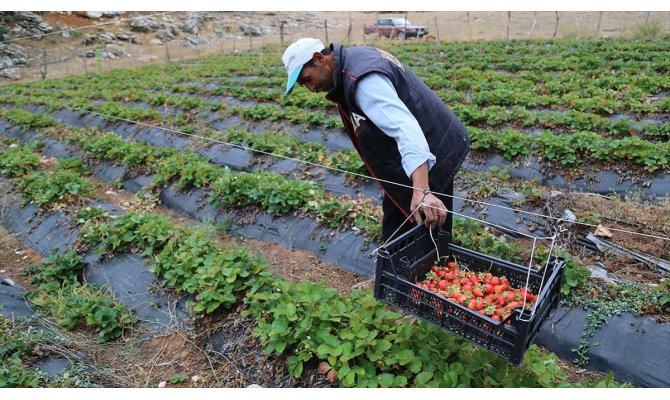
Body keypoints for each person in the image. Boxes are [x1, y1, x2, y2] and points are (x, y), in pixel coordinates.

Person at [282, 38, 470, 243]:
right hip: (420, 154)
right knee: (402, 227)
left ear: (319, 58)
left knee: (422, 229)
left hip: (429, 154)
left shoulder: (361, 81)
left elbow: (405, 128)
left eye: (308, 79)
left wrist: (422, 190)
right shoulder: (353, 59)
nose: (311, 88)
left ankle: (432, 264)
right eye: (304, 85)